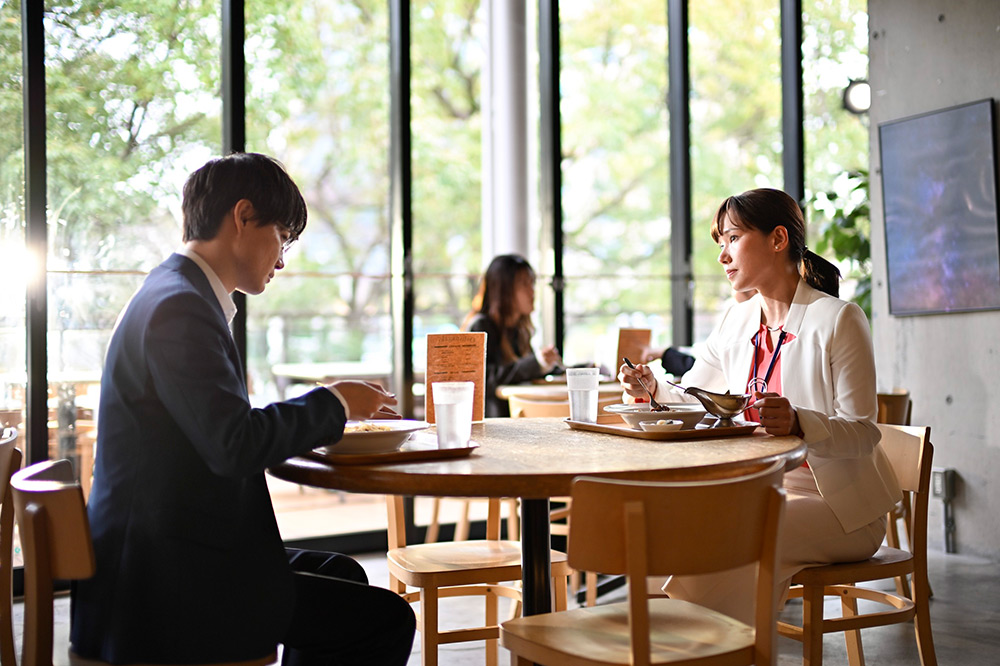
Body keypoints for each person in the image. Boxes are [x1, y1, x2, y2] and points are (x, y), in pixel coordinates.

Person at [71, 153, 416, 664]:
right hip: (163, 587)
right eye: (283, 237)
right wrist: (338, 402)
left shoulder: (173, 291)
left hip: (165, 553)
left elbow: (221, 427)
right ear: (243, 217)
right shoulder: (181, 307)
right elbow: (233, 446)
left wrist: (328, 408)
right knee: (387, 618)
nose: (281, 261)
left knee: (342, 573)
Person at [618, 187, 901, 625]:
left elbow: (864, 433)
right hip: (763, 490)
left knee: (745, 529)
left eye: (732, 238)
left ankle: (682, 639)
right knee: (684, 524)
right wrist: (653, 386)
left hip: (840, 506)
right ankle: (702, 642)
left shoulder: (840, 319)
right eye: (721, 243)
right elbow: (694, 397)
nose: (722, 255)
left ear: (777, 239)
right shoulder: (737, 321)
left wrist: (798, 421)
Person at [462, 254, 563, 417]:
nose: (532, 291)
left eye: (532, 284)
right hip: (496, 424)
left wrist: (573, 369)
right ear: (505, 289)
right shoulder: (481, 326)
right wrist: (536, 363)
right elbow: (486, 379)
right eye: (525, 284)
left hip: (517, 417)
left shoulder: (518, 329)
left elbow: (523, 372)